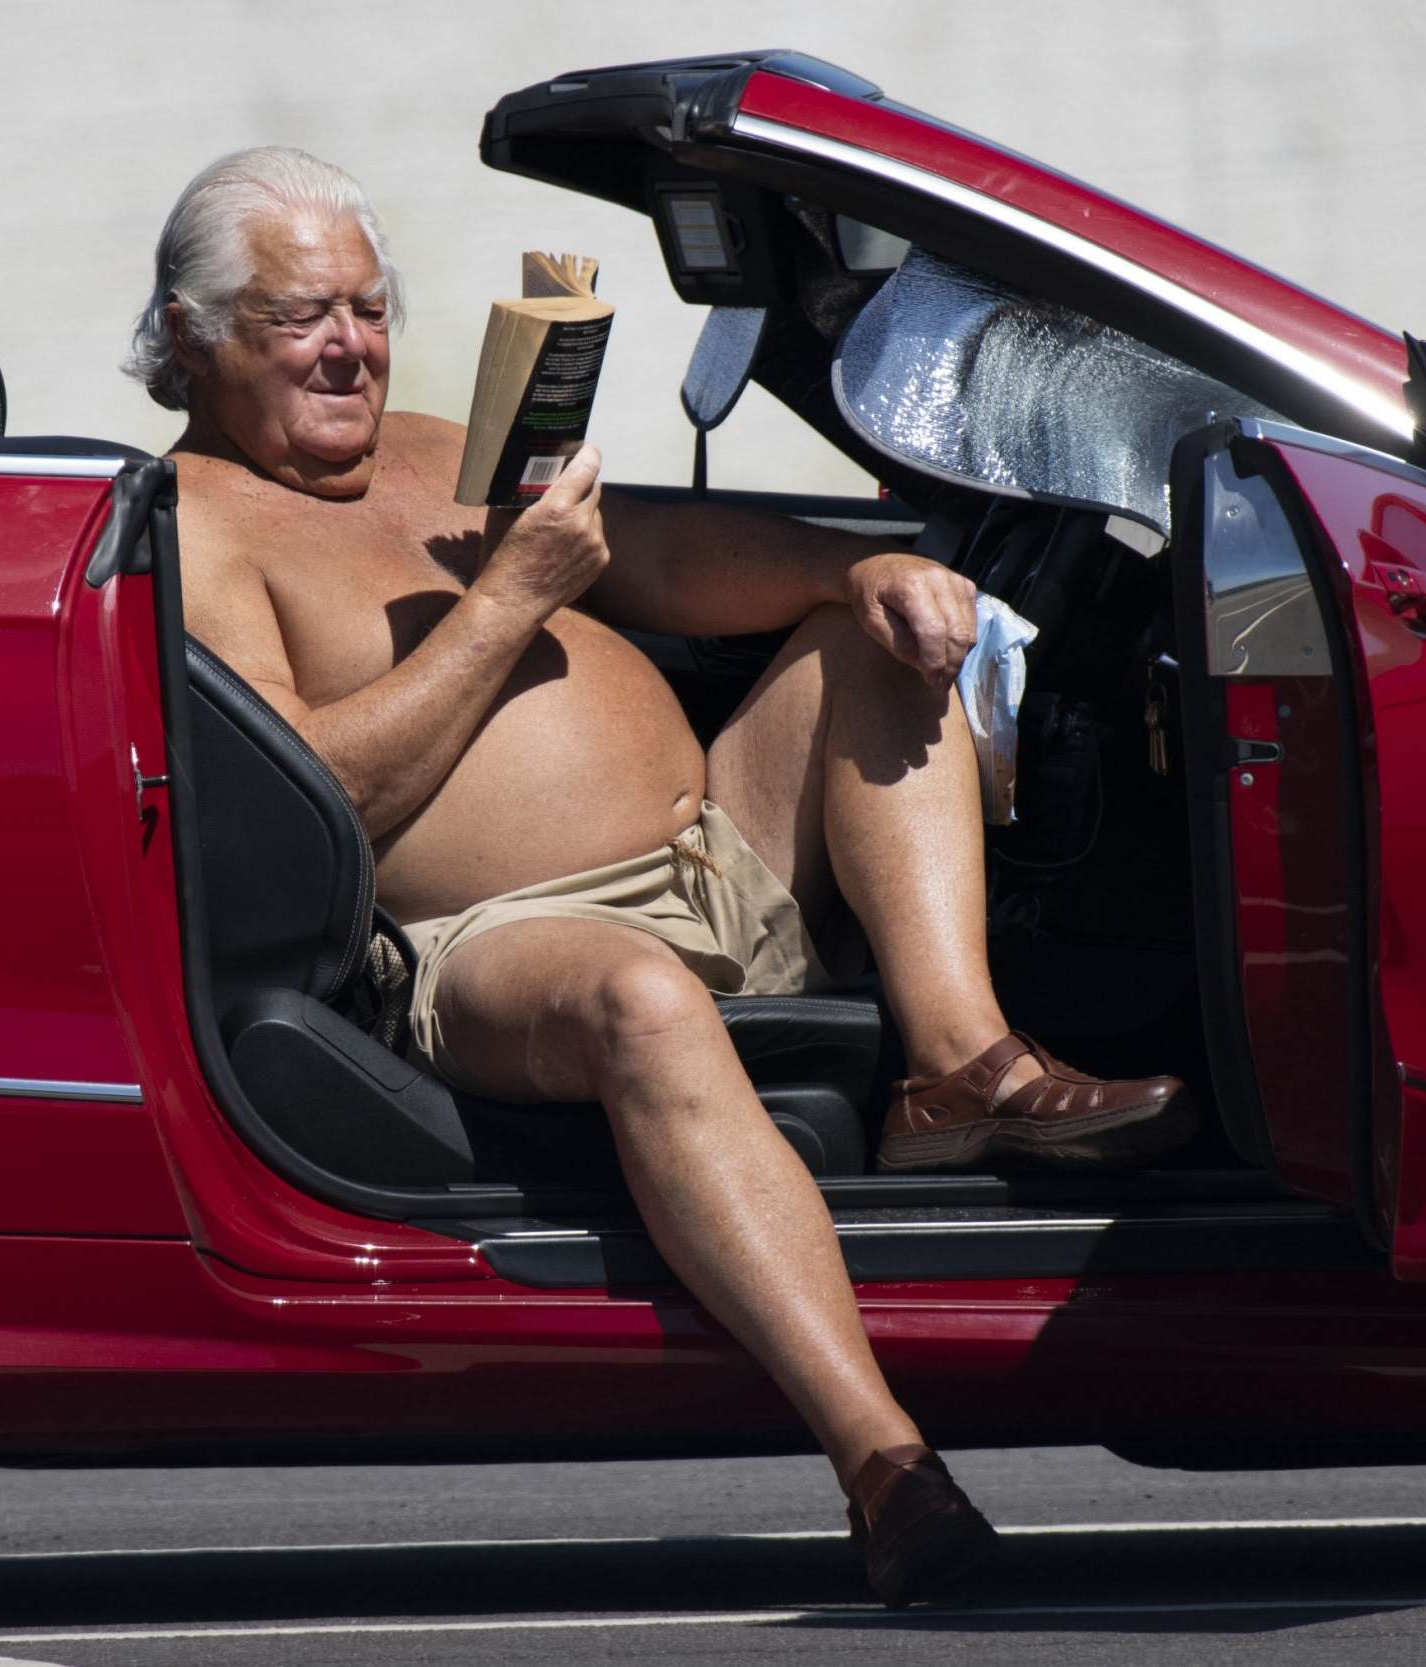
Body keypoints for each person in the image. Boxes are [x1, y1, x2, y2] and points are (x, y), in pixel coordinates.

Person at [130, 147, 1195, 1605]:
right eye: (300, 317)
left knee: (869, 643)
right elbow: (311, 801)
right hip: (488, 949)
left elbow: (666, 555)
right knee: (638, 997)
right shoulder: (192, 525)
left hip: (715, 858)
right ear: (192, 338)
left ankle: (961, 1063)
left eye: (370, 310)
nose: (349, 348)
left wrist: (844, 572)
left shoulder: (442, 443)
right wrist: (508, 596)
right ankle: (888, 1469)